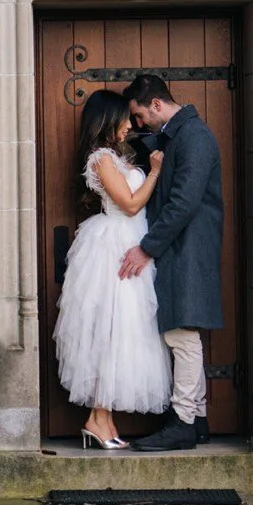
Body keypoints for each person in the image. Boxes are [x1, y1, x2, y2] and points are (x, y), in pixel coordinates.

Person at [53, 89, 172, 448]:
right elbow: (132, 205)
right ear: (107, 119)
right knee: (110, 332)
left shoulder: (117, 157)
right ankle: (97, 418)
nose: (128, 125)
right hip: (114, 249)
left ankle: (101, 420)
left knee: (124, 333)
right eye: (124, 118)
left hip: (131, 244)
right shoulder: (102, 158)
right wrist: (154, 173)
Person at [117, 72, 224, 451]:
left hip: (188, 246)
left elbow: (184, 202)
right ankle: (196, 419)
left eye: (140, 116)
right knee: (181, 330)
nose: (138, 124)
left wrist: (147, 248)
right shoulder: (178, 136)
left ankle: (182, 421)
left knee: (182, 332)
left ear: (157, 105)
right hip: (181, 246)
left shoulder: (194, 137)